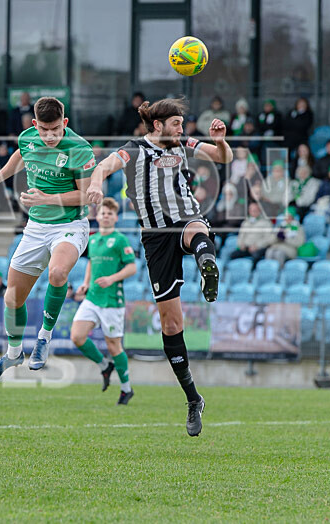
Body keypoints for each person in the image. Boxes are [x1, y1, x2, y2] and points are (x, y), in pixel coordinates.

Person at [86, 97, 233, 436]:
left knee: (195, 229)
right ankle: (193, 399)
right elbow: (104, 166)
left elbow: (221, 157)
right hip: (154, 238)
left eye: (183, 124)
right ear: (158, 126)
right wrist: (95, 183)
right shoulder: (134, 149)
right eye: (177, 124)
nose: (182, 129)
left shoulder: (184, 144)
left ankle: (206, 262)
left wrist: (221, 141)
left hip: (184, 219)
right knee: (170, 324)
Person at [0, 97, 96, 379]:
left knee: (58, 272)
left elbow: (87, 195)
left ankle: (43, 338)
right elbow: (20, 155)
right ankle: (13, 354)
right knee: (12, 297)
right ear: (34, 125)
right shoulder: (28, 138)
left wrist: (47, 198)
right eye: (44, 131)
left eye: (55, 130)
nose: (49, 137)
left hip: (70, 225)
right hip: (36, 227)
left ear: (64, 123)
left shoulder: (79, 149)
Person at [72, 198, 137, 405]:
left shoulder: (120, 240)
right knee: (77, 337)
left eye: (110, 213)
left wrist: (111, 278)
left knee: (114, 346)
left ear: (115, 218)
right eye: (103, 213)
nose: (106, 216)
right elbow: (91, 262)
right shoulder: (93, 239)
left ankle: (126, 389)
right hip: (92, 298)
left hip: (111, 300)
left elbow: (132, 268)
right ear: (97, 216)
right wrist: (85, 283)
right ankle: (104, 365)